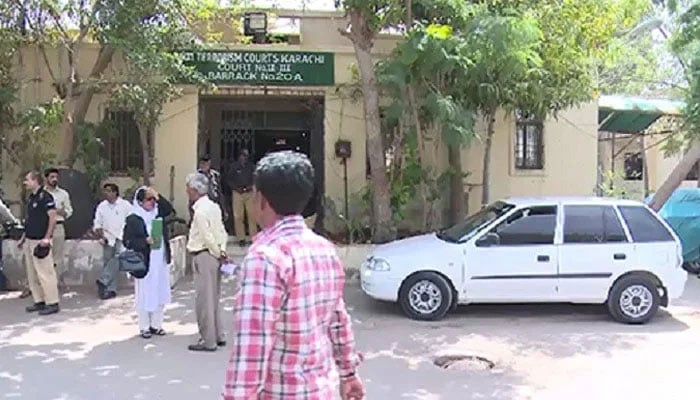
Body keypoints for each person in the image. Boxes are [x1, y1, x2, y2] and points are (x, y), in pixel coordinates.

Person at [222, 151, 363, 400]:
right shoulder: (324, 250)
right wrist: (349, 374)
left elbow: (252, 345)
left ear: (261, 200)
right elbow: (338, 319)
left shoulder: (265, 258)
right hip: (322, 390)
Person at [185, 173, 228, 352]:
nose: (186, 191)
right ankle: (218, 335)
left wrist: (217, 251)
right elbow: (221, 231)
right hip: (214, 255)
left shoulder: (200, 211)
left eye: (188, 187)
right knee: (214, 297)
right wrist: (222, 251)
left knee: (204, 300)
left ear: (194, 190)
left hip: (204, 254)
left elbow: (207, 236)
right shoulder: (213, 207)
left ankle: (208, 340)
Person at [122, 186, 172, 339]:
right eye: (148, 200)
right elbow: (128, 241)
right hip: (145, 261)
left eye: (153, 199)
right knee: (144, 294)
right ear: (140, 202)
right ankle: (144, 326)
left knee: (159, 291)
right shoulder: (134, 218)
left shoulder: (158, 213)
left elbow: (169, 209)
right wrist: (145, 241)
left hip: (160, 259)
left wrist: (157, 195)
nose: (151, 203)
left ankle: (157, 324)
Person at [19, 171, 60, 316]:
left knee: (45, 273)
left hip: (41, 240)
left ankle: (52, 302)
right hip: (30, 239)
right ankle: (39, 301)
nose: (25, 183)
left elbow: (52, 219)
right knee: (32, 274)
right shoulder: (31, 198)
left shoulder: (46, 197)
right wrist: (23, 238)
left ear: (35, 180)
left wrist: (47, 238)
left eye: (27, 180)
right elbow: (30, 220)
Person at [94, 183, 132, 300]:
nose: (107, 193)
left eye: (109, 191)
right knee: (108, 262)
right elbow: (97, 223)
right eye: (105, 191)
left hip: (121, 237)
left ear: (115, 192)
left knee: (118, 258)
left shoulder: (125, 205)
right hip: (107, 237)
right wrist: (101, 236)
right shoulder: (102, 206)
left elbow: (132, 220)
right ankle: (109, 289)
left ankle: (104, 281)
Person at [44, 168, 73, 286]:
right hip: (43, 228)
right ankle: (43, 284)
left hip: (58, 227)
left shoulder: (63, 194)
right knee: (43, 257)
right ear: (46, 178)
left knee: (57, 257)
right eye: (52, 177)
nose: (54, 179)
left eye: (56, 177)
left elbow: (69, 211)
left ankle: (54, 284)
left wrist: (62, 212)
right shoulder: (42, 193)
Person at [227, 149, 257, 246]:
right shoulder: (234, 167)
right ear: (239, 156)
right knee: (238, 216)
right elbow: (229, 179)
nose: (245, 157)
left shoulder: (251, 167)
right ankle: (241, 238)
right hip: (237, 192)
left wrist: (250, 187)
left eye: (246, 155)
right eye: (243, 155)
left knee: (251, 215)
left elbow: (255, 178)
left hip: (249, 192)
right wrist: (235, 188)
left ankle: (254, 237)